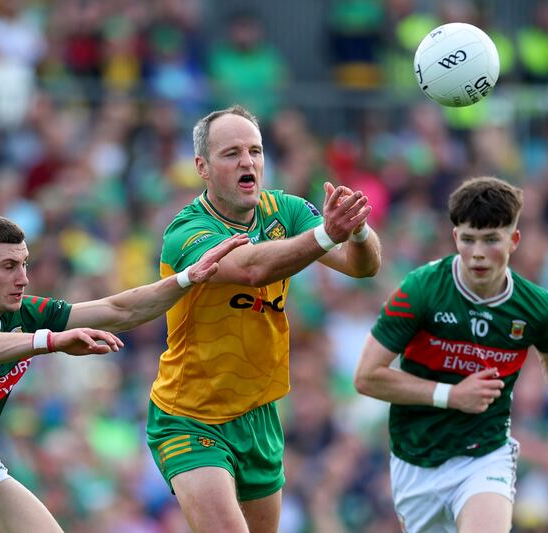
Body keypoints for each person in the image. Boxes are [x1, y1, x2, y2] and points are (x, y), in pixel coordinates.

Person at [0, 213, 248, 533]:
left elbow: (118, 311)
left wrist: (186, 279)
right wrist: (49, 341)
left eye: (24, 264)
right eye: (9, 266)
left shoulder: (22, 313)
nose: (23, 278)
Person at [145, 104, 382, 533]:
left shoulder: (285, 210)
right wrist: (327, 233)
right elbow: (251, 269)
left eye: (254, 150)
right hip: (190, 414)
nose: (247, 161)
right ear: (202, 166)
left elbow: (362, 267)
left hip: (259, 415)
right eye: (231, 153)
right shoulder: (186, 231)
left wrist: (359, 229)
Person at [353, 177, 548, 533]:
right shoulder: (421, 289)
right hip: (416, 459)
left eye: (491, 239)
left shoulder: (537, 307)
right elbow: (366, 376)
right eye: (468, 239)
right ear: (455, 239)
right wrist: (452, 395)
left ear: (513, 240)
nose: (478, 252)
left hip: (485, 455)